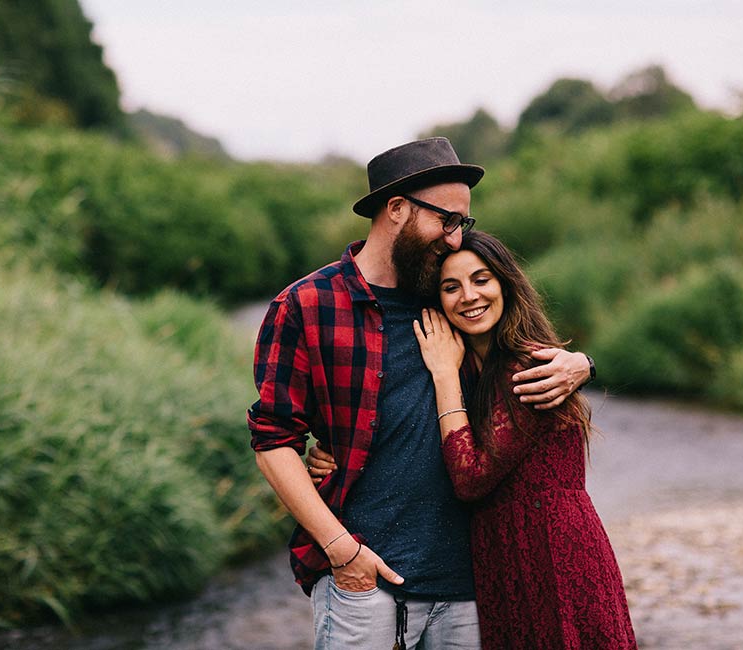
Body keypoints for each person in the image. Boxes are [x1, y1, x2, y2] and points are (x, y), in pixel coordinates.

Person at [248, 137, 593, 649]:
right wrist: (341, 551)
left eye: (463, 224)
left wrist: (581, 362)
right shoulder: (307, 306)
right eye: (447, 219)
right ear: (396, 210)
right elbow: (273, 440)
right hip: (362, 578)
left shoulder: (449, 293)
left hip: (471, 582)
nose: (456, 240)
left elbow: (516, 347)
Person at [413, 230, 637, 649]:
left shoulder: (527, 368)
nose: (468, 296)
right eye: (451, 287)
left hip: (553, 550)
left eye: (481, 279)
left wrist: (443, 375)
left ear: (505, 284)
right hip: (504, 553)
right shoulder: (470, 372)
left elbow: (470, 477)